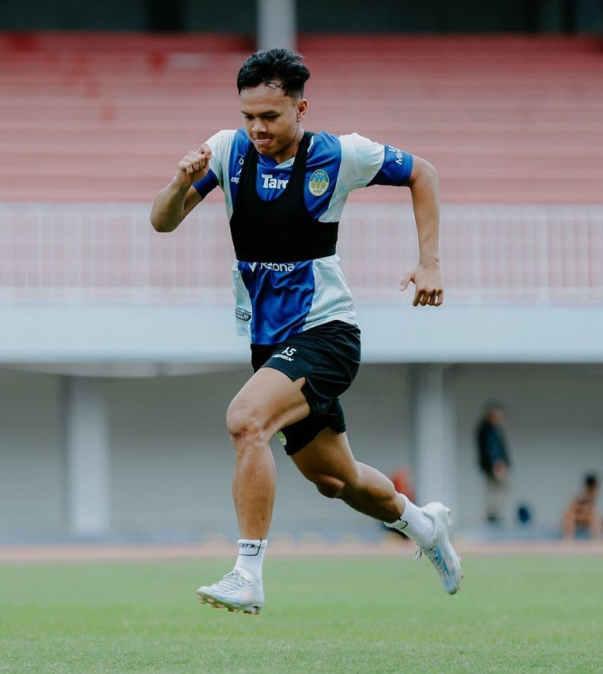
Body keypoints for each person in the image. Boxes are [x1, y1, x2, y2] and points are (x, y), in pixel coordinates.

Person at [149, 49, 460, 614]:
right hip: (270, 343)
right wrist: (180, 180)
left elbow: (423, 172)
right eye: (248, 116)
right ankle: (424, 524)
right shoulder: (225, 152)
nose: (257, 128)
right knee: (336, 480)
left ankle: (248, 573)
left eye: (270, 116)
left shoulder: (339, 155)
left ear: (300, 108)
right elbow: (162, 220)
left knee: (246, 421)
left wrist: (431, 260)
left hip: (326, 332)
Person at [476, 401, 511, 526]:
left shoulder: (495, 429)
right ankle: (493, 517)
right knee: (493, 491)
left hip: (496, 466)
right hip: (494, 467)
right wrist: (496, 464)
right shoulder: (487, 430)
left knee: (499, 490)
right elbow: (491, 449)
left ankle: (496, 516)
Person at [562, 472, 603, 540]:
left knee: (596, 517)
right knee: (570, 516)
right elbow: (572, 508)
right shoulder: (580, 495)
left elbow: (592, 510)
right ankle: (568, 537)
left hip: (588, 518)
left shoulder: (594, 494)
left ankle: (597, 538)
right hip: (577, 518)